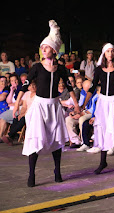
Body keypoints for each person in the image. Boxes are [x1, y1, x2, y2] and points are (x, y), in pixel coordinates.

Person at [12, 20, 80, 187]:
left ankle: (57, 170)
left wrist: (77, 105)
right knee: (36, 139)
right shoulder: (37, 67)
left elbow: (70, 86)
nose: (43, 49)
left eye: (46, 47)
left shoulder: (61, 69)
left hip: (54, 106)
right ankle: (31, 174)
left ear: (54, 50)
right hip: (40, 106)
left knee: (56, 139)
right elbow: (25, 84)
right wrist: (17, 103)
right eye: (42, 47)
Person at [82, 43, 114, 175]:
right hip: (103, 102)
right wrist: (83, 104)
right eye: (108, 51)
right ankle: (102, 162)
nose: (110, 53)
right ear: (104, 54)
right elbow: (93, 87)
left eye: (112, 51)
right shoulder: (99, 70)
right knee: (102, 130)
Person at [1, 81, 37, 146]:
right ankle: (11, 137)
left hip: (34, 113)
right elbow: (24, 106)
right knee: (16, 118)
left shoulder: (38, 95)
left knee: (23, 119)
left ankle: (9, 135)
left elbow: (34, 108)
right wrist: (21, 113)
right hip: (26, 112)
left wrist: (24, 114)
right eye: (31, 86)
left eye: (34, 85)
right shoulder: (27, 94)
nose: (32, 87)